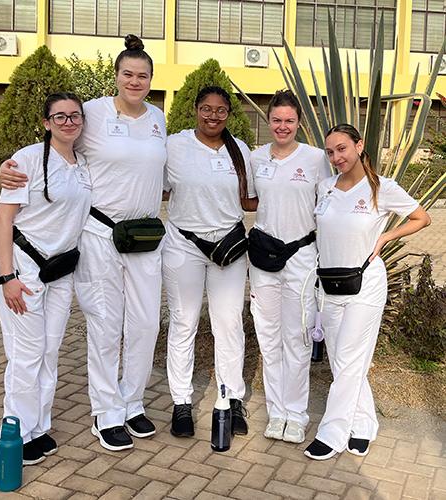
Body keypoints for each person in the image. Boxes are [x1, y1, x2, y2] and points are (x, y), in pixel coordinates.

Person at [0, 35, 167, 452]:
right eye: (127, 74)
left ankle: (133, 400)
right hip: (99, 234)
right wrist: (8, 168)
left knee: (146, 324)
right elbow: (51, 147)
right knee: (106, 325)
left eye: (142, 75)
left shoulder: (158, 119)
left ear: (150, 80)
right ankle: (106, 412)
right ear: (115, 76)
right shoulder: (89, 112)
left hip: (145, 235)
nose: (135, 81)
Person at [304, 123, 430, 460]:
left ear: (359, 146)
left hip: (366, 285)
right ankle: (364, 424)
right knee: (343, 360)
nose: (336, 157)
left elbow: (422, 217)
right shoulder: (325, 187)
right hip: (329, 286)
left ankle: (332, 432)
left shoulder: (381, 188)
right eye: (330, 152)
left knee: (348, 359)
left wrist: (386, 237)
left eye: (342, 149)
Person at [0, 92, 91, 465]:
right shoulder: (28, 159)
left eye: (75, 116)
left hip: (60, 269)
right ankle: (13, 433)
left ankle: (38, 427)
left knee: (49, 351)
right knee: (26, 354)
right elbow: (4, 219)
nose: (69, 122)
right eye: (60, 116)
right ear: (46, 122)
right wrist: (7, 277)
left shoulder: (83, 164)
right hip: (23, 267)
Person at [163, 86, 257, 437]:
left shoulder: (240, 151)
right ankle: (181, 403)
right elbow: (149, 182)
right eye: (206, 108)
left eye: (220, 110)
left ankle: (232, 399)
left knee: (229, 323)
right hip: (183, 245)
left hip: (228, 249)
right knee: (184, 322)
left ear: (228, 114)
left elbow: (250, 200)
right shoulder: (174, 145)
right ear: (195, 109)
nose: (213, 116)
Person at [248, 90, 331, 444]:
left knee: (296, 337)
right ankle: (276, 411)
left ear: (299, 123)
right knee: (268, 337)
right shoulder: (255, 158)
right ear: (269, 122)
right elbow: (248, 199)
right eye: (277, 120)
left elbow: (330, 204)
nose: (283, 127)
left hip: (300, 258)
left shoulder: (315, 159)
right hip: (264, 257)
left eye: (289, 121)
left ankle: (296, 414)